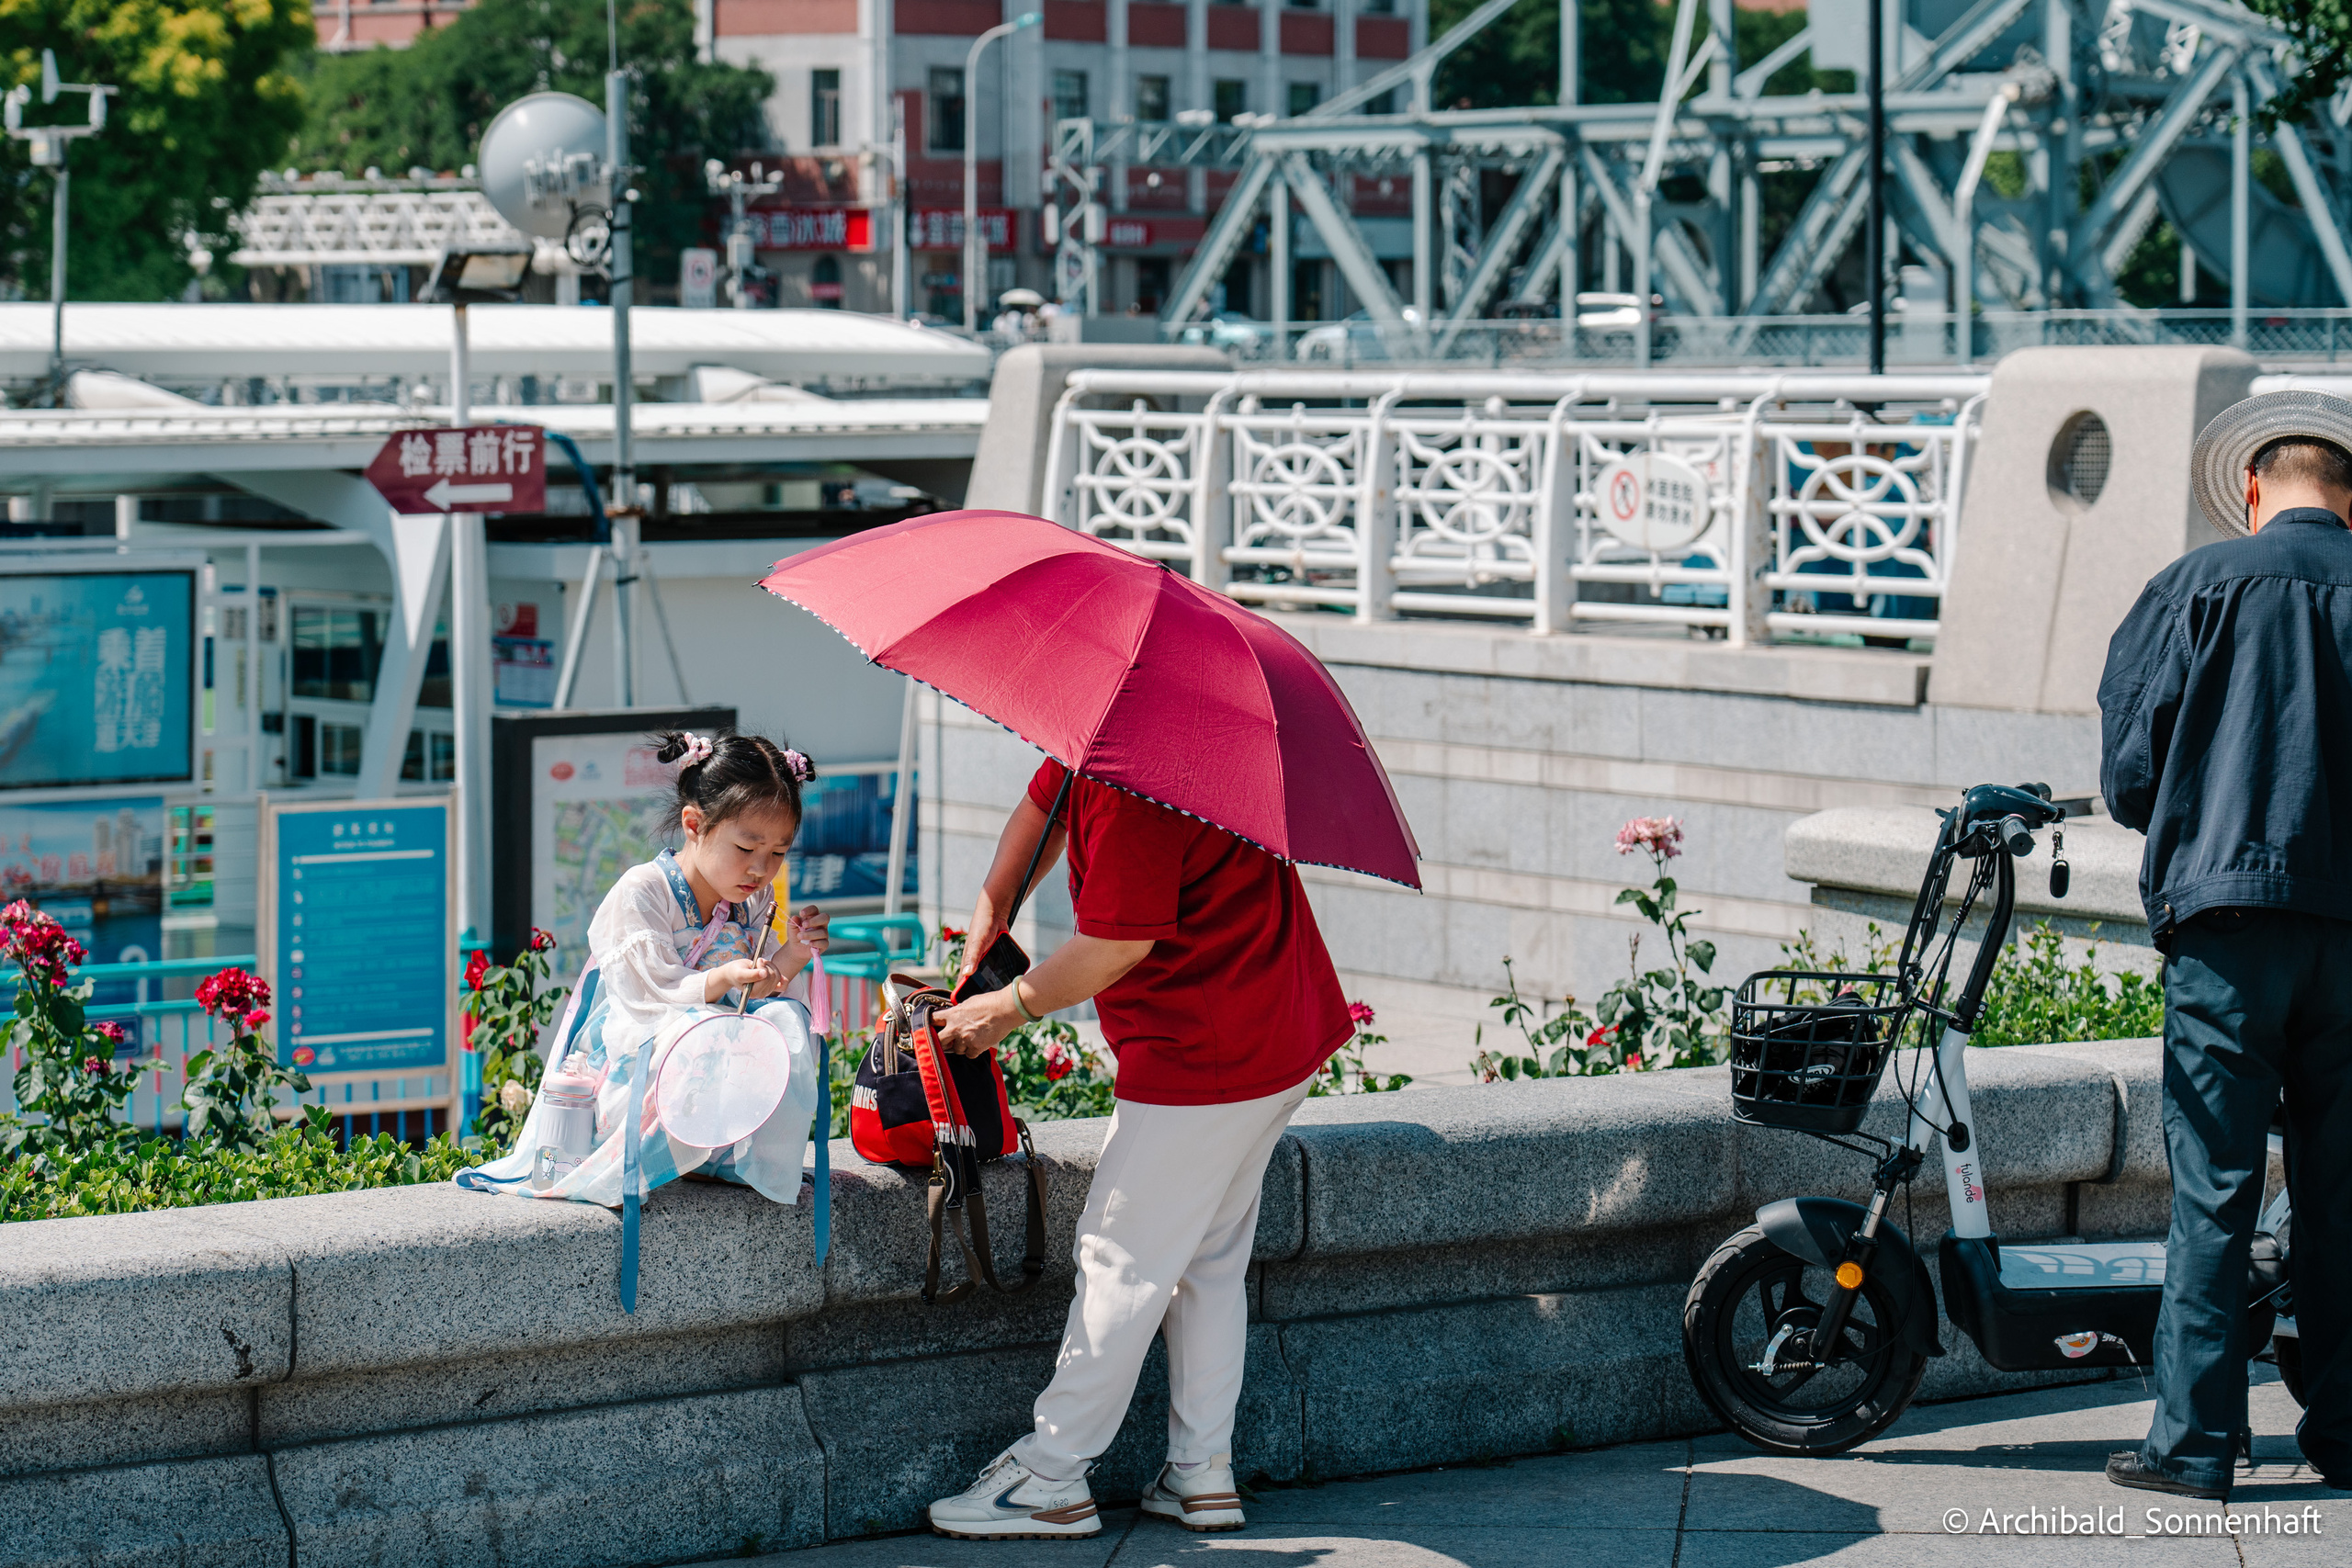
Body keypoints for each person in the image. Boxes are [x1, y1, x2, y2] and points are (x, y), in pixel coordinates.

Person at [922, 758, 1353, 1540]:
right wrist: (991, 919)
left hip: (1205, 1049)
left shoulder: (1136, 782)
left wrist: (1005, 1008)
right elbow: (1036, 814)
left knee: (1118, 1254)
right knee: (1206, 1258)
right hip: (1275, 1027)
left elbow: (1117, 945)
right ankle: (1202, 1472)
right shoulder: (1119, 742)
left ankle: (1050, 1475)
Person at [2098, 389, 2352, 1501]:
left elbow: (2130, 776)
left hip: (2225, 933)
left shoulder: (2192, 586)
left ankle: (2194, 1447)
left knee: (2214, 1189)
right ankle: (2345, 1434)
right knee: (2345, 1197)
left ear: (2251, 488)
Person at [462, 728, 831, 1207]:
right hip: (635, 1066)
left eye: (778, 853)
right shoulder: (644, 890)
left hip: (703, 1062)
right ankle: (665, 1156)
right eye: (746, 849)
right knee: (704, 1025)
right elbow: (648, 998)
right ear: (694, 825)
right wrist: (719, 981)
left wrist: (793, 953)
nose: (761, 869)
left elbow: (757, 992)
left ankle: (736, 1157)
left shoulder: (755, 898)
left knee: (785, 1020)